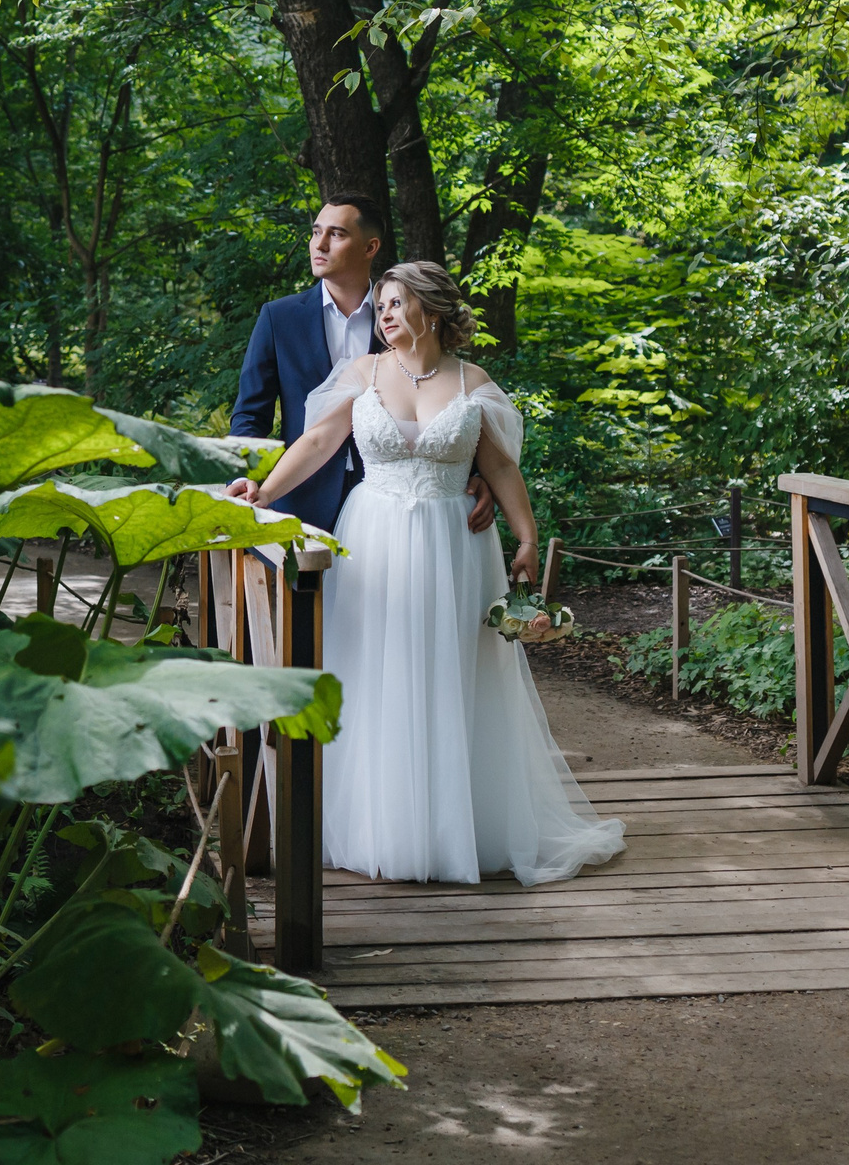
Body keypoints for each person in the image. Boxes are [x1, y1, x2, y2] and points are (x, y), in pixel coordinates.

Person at [230, 262, 624, 886]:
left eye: (394, 304)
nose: (382, 315)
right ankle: (374, 825)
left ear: (431, 312)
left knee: (451, 670)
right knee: (372, 670)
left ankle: (454, 825)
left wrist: (527, 536)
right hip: (375, 537)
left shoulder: (474, 382)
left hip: (454, 546)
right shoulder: (364, 374)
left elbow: (500, 468)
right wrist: (264, 493)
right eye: (380, 304)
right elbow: (314, 445)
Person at [231, 196, 492, 535]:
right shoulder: (279, 318)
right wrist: (245, 478)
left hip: (399, 519)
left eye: (336, 234)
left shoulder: (406, 318)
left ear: (370, 247)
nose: (319, 245)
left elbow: (443, 395)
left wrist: (473, 475)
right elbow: (251, 415)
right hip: (300, 503)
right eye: (316, 232)